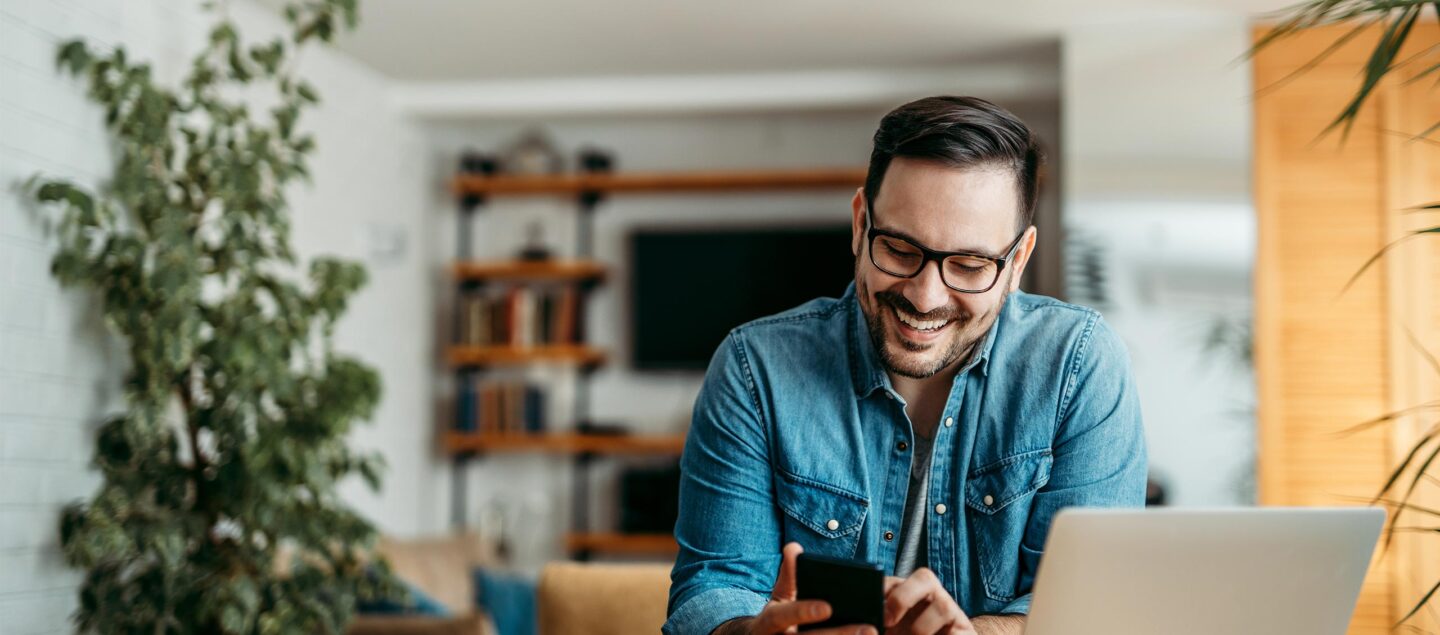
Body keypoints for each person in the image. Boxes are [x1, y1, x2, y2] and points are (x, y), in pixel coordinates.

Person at [662, 96, 1148, 635]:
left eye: (969, 264)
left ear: (1018, 262)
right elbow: (710, 589)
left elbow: (1095, 612)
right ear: (859, 224)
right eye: (898, 249)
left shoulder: (1079, 367)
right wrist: (749, 632)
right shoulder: (755, 369)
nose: (924, 295)